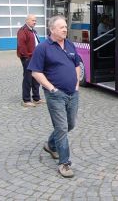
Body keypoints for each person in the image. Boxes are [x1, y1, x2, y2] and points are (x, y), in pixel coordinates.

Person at [28, 15, 81, 178]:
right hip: (55, 95)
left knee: (70, 125)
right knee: (62, 128)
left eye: (66, 26)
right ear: (52, 30)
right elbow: (36, 72)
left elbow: (77, 65)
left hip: (73, 93)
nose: (65, 29)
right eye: (61, 27)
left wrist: (77, 85)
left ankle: (50, 145)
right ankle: (64, 164)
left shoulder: (70, 44)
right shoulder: (43, 48)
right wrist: (52, 89)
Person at [16, 14, 44, 107]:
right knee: (28, 78)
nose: (35, 22)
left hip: (35, 57)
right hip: (28, 58)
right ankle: (26, 100)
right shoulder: (23, 30)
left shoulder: (33, 31)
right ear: (27, 20)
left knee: (36, 77)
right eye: (33, 20)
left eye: (35, 20)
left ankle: (36, 98)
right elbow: (21, 45)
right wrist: (27, 57)